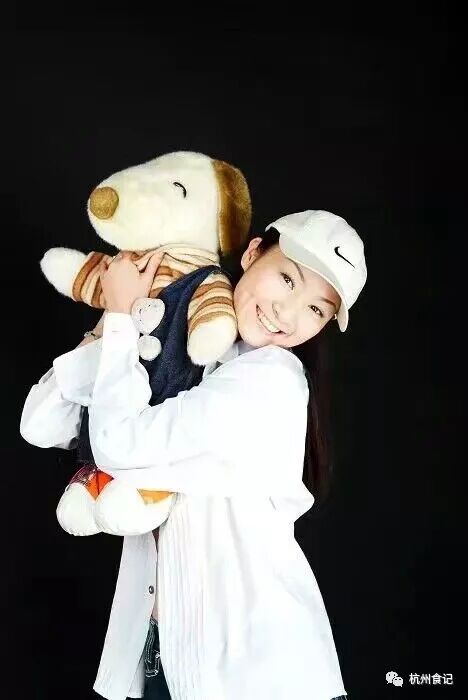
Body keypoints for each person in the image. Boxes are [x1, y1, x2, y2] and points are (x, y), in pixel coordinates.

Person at [20, 209, 367, 700]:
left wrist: (121, 319)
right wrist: (116, 322)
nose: (287, 313)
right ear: (252, 253)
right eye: (287, 278)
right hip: (163, 662)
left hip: (257, 676)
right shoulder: (182, 355)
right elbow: (41, 423)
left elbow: (117, 446)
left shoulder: (272, 382)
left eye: (316, 309)